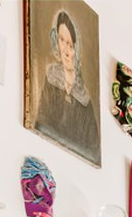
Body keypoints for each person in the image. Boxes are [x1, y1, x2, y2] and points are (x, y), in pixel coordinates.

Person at [33, 9, 99, 160]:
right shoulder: (51, 78)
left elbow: (93, 150)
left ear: (78, 48)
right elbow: (41, 122)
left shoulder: (85, 99)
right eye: (62, 40)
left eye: (70, 44)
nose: (66, 51)